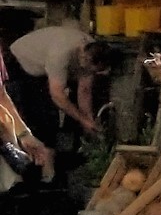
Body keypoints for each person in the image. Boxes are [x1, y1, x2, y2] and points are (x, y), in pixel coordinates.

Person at [5, 17, 101, 145]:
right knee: (37, 119)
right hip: (18, 63)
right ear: (83, 55)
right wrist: (82, 119)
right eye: (88, 68)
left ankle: (57, 152)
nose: (88, 72)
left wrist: (89, 121)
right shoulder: (60, 54)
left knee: (50, 116)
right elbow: (57, 95)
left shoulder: (93, 50)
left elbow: (85, 90)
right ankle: (32, 157)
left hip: (43, 69)